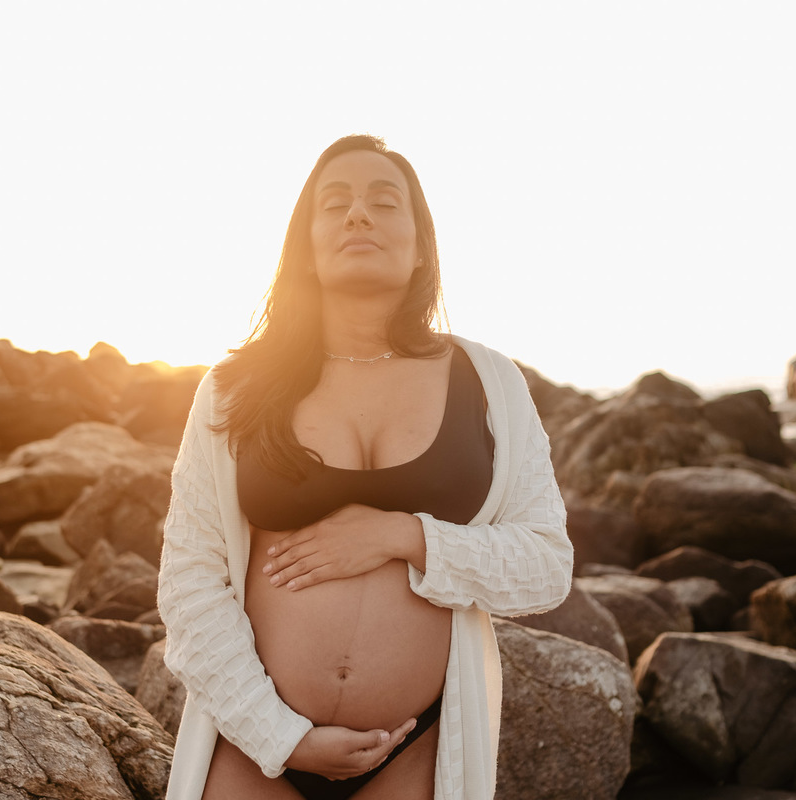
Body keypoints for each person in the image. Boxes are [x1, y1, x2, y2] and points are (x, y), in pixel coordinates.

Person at [157, 134, 574, 800]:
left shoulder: (490, 382)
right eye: (335, 204)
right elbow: (188, 583)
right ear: (306, 247)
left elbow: (545, 567)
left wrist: (403, 536)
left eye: (385, 202)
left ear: (419, 247)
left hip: (415, 752)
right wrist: (279, 736)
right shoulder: (236, 386)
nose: (358, 215)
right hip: (252, 751)